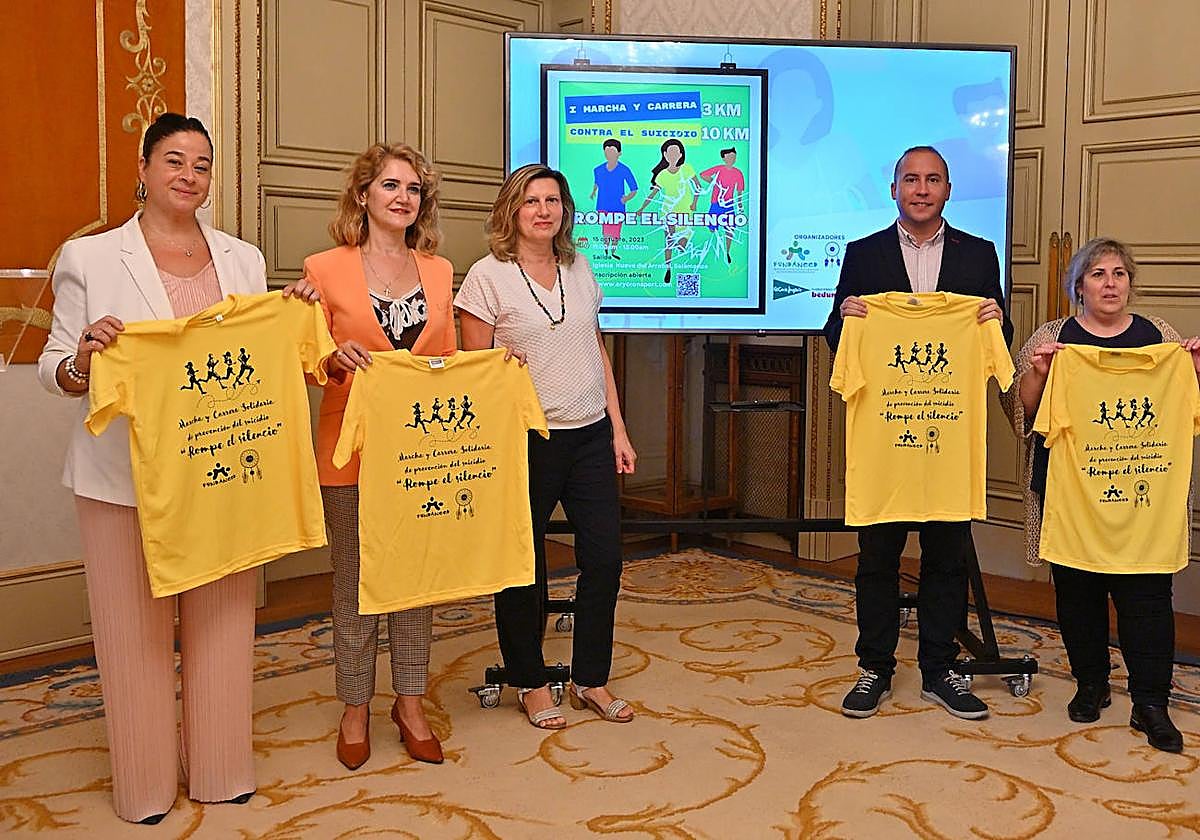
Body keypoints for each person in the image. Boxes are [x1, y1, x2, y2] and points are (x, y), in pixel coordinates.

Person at [36, 113, 317, 823]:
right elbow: (54, 369)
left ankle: (222, 768)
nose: (188, 175)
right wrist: (84, 358)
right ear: (143, 168)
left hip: (223, 471)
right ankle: (145, 785)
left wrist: (294, 312)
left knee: (224, 623)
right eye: (174, 160)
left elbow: (258, 355)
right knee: (133, 634)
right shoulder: (91, 258)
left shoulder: (243, 259)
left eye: (201, 164)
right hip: (122, 479)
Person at [823, 145, 1012, 720]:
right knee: (877, 556)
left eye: (933, 179)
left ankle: (939, 667)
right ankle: (875, 667)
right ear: (895, 189)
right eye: (911, 179)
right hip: (887, 438)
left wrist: (995, 321)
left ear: (948, 190)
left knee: (947, 556)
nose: (922, 189)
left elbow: (996, 339)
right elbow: (836, 336)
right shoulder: (864, 253)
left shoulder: (978, 254)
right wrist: (846, 320)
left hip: (947, 438)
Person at [455, 164, 637, 729]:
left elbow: (595, 351)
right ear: (511, 211)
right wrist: (497, 366)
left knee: (604, 561)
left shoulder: (579, 267)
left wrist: (618, 428)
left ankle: (591, 678)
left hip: (590, 435)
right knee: (522, 567)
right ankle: (530, 682)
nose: (543, 210)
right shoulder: (486, 277)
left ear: (565, 210)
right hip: (524, 441)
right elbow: (475, 371)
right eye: (531, 201)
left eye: (552, 200)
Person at [1001, 237, 1200, 753]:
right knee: (1078, 595)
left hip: (1144, 502)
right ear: (1079, 286)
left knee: (1148, 601)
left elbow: (1187, 410)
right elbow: (1020, 414)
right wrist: (1040, 374)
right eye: (1098, 274)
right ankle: (1091, 684)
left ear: (1130, 283)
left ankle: (1150, 702)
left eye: (1119, 274)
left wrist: (1194, 371)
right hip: (1070, 496)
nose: (1110, 284)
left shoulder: (1161, 339)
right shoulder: (1054, 339)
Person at [296, 143, 457, 769]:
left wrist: (500, 367)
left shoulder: (439, 271)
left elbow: (447, 361)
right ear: (363, 195)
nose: (402, 197)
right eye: (390, 185)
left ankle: (410, 702)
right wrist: (331, 359)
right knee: (354, 580)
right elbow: (305, 361)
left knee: (417, 577)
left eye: (414, 189)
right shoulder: (323, 269)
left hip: (422, 451)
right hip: (350, 447)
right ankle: (355, 705)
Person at [636, 139, 702, 285]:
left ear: (680, 154)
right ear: (665, 155)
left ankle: (682, 243)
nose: (672, 155)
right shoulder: (662, 175)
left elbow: (698, 186)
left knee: (683, 243)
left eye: (675, 152)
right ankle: (668, 268)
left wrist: (694, 203)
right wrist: (641, 208)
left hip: (685, 212)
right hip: (668, 212)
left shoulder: (687, 169)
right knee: (669, 241)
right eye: (669, 152)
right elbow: (653, 194)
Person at [589, 138, 638, 260]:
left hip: (618, 207)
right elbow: (597, 182)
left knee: (616, 231)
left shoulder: (624, 170)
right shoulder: (598, 170)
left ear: (619, 153)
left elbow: (634, 188)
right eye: (606, 151)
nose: (609, 154)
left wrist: (626, 198)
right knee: (606, 230)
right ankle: (606, 251)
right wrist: (593, 192)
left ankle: (613, 251)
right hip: (603, 205)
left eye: (612, 151)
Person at [699, 147, 746, 262]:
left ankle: (727, 252)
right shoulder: (719, 169)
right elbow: (703, 174)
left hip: (729, 205)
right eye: (729, 157)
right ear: (724, 158)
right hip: (716, 203)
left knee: (730, 229)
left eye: (734, 157)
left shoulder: (738, 172)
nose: (732, 159)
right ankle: (711, 252)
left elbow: (739, 190)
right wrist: (714, 182)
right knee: (711, 228)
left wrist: (740, 204)